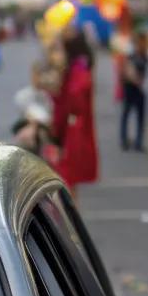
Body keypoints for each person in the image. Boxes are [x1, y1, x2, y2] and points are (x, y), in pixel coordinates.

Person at [52, 29, 99, 196]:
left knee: (66, 179)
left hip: (72, 129)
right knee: (69, 182)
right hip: (72, 127)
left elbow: (72, 101)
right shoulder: (79, 68)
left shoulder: (77, 71)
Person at [119, 31, 148, 151]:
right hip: (131, 87)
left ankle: (139, 141)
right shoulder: (131, 55)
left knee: (140, 116)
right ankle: (124, 139)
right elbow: (127, 71)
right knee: (127, 113)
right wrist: (137, 80)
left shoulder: (146, 56)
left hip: (140, 89)